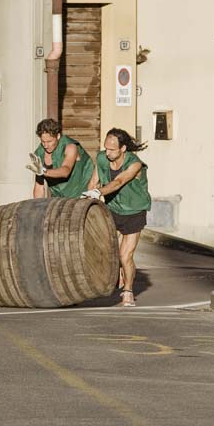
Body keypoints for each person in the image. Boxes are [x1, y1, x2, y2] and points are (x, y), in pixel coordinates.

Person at [82, 128, 151, 307]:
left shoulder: (134, 164)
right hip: (113, 209)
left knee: (124, 256)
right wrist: (88, 196)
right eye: (106, 148)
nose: (108, 152)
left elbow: (119, 182)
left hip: (133, 211)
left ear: (123, 149)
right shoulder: (102, 158)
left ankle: (128, 291)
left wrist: (99, 192)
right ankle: (113, 275)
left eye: (112, 149)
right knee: (103, 248)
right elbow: (93, 181)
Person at [25, 118, 94, 198]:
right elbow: (39, 186)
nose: (46, 146)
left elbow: (65, 171)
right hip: (58, 198)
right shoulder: (39, 153)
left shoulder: (70, 147)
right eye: (43, 142)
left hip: (80, 194)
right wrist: (37, 206)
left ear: (58, 136)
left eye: (49, 141)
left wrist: (44, 172)